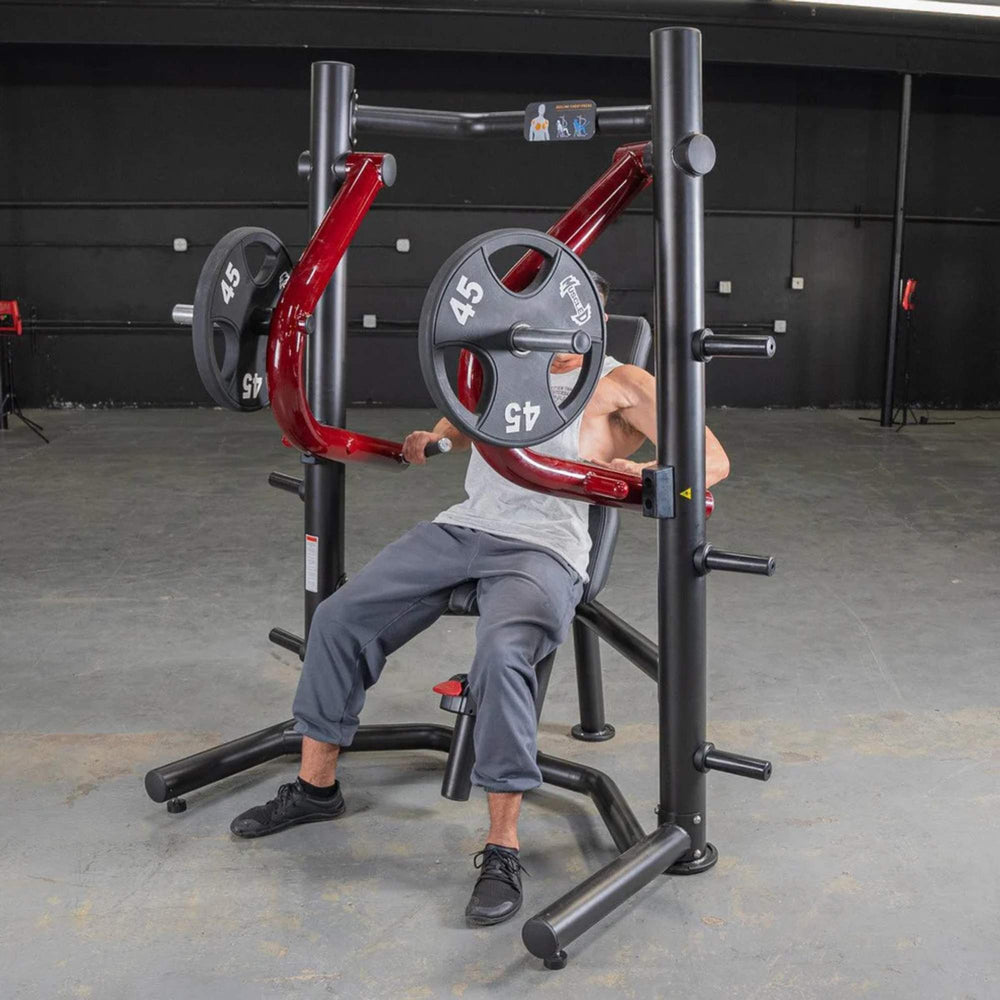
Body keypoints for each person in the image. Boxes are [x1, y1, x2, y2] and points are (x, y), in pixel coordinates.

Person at [230, 273, 730, 927]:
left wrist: (636, 475)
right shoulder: (508, 363)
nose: (571, 327)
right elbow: (467, 417)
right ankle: (316, 788)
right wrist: (437, 440)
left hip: (543, 550)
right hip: (464, 526)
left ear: (596, 316)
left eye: (585, 314)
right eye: (555, 310)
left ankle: (501, 849)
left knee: (501, 654)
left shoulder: (620, 384)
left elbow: (710, 458)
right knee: (339, 617)